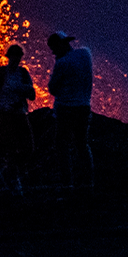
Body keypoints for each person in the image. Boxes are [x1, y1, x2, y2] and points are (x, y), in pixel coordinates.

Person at [48, 32, 94, 189]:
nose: (53, 52)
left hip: (66, 108)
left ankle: (67, 183)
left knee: (62, 145)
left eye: (54, 49)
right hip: (84, 107)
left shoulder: (62, 63)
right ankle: (88, 182)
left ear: (61, 45)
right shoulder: (85, 54)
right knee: (82, 144)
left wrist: (58, 63)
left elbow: (52, 89)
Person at [0, 44, 36, 192]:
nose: (16, 60)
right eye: (14, 57)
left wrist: (21, 88)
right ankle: (11, 177)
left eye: (18, 57)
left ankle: (10, 173)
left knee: (28, 147)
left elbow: (32, 95)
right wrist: (3, 106)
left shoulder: (23, 74)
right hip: (6, 116)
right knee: (9, 147)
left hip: (20, 114)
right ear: (9, 57)